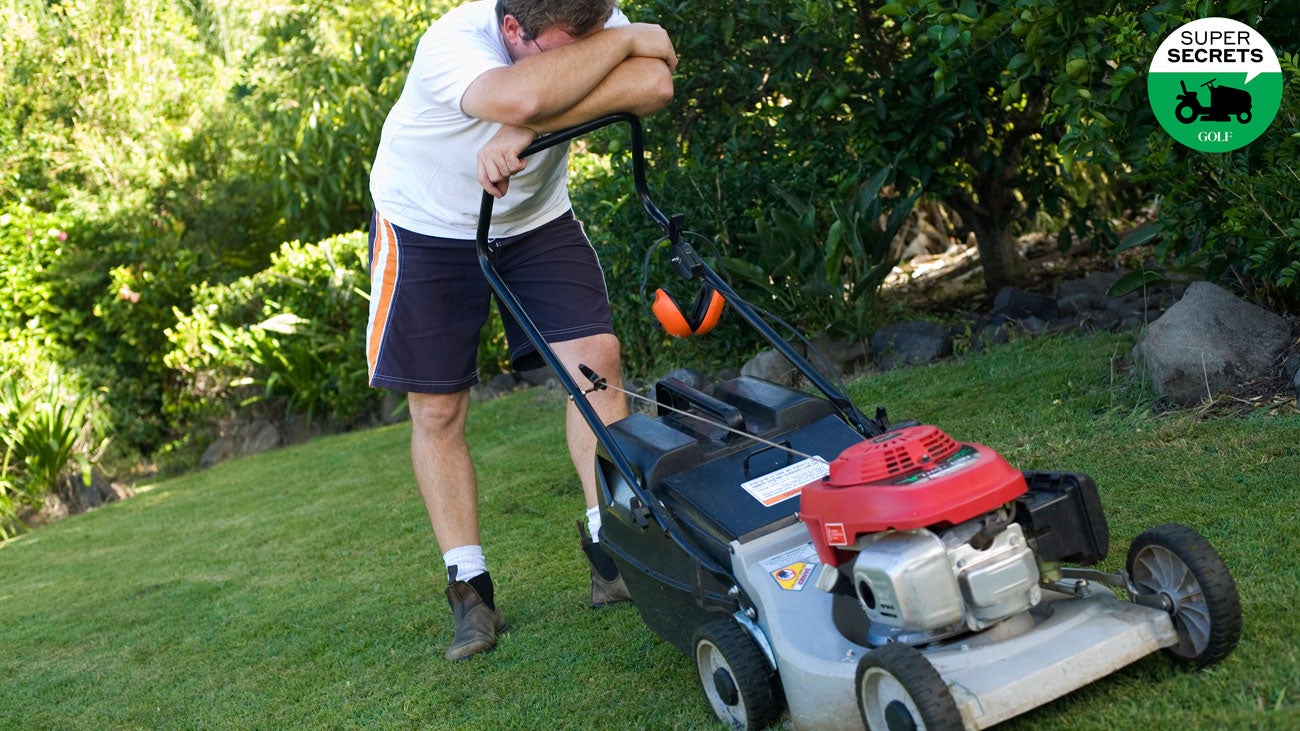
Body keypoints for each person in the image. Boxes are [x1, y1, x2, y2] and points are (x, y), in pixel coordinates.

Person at [366, 0, 676, 661]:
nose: (588, 52)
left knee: (597, 362)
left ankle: (611, 546)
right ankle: (469, 587)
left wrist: (521, 134)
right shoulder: (453, 41)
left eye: (600, 39)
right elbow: (527, 90)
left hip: (534, 222)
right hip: (425, 225)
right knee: (439, 407)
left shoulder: (588, 16)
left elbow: (654, 84)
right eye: (569, 48)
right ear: (513, 30)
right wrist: (634, 43)